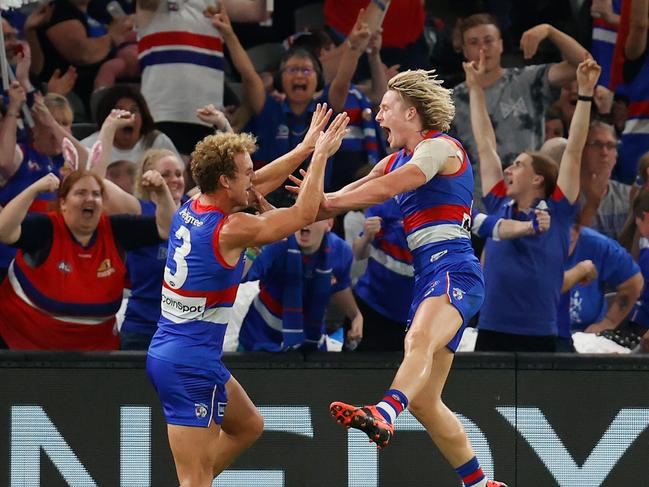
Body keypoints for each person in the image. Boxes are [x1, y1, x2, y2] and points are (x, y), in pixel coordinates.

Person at [288, 70, 507, 486]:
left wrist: (324, 200)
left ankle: (384, 413)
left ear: (411, 111)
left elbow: (395, 185)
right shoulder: (394, 160)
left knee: (416, 342)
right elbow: (330, 205)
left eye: (386, 108)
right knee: (425, 402)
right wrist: (298, 197)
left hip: (454, 269)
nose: (378, 114)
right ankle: (480, 483)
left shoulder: (440, 147)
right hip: (428, 278)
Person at [146, 107, 349, 486]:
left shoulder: (195, 203)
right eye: (246, 172)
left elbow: (259, 183)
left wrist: (305, 146)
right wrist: (321, 156)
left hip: (184, 352)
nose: (254, 177)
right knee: (194, 478)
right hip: (187, 364)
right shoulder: (232, 229)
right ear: (225, 181)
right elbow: (305, 212)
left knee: (249, 425)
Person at [469, 54, 600, 353]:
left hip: (540, 332)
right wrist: (475, 89)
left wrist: (585, 94)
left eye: (517, 165)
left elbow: (574, 150)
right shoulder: (499, 203)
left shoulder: (560, 210)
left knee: (536, 401)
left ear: (538, 179)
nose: (508, 170)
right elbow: (485, 144)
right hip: (491, 328)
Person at [0, 168, 174, 350]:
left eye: (96, 194)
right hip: (22, 348)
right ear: (63, 203)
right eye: (81, 193)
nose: (90, 199)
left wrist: (161, 190)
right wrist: (33, 189)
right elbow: (4, 231)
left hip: (95, 355)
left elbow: (166, 228)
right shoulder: (44, 228)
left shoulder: (116, 230)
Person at [451, 13, 588, 207]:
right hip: (479, 205)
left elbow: (585, 66)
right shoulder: (452, 101)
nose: (483, 48)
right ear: (464, 50)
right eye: (474, 42)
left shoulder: (527, 80)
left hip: (531, 200)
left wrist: (550, 31)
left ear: (501, 44)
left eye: (489, 41)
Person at [238, 218, 362, 352]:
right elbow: (239, 276)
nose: (305, 222)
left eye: (314, 217)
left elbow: (339, 286)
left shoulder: (340, 252)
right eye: (302, 214)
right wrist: (253, 248)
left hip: (310, 339)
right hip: (259, 337)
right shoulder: (277, 244)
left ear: (329, 224)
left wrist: (355, 315)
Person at [557, 224, 642, 351]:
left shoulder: (597, 245)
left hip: (586, 341)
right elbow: (545, 290)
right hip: (535, 339)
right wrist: (581, 270)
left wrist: (610, 321)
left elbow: (633, 281)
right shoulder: (524, 242)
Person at [81, 85, 179, 165]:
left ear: (143, 117)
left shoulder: (158, 142)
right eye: (120, 110)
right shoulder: (89, 147)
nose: (128, 116)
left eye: (134, 110)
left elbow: (180, 178)